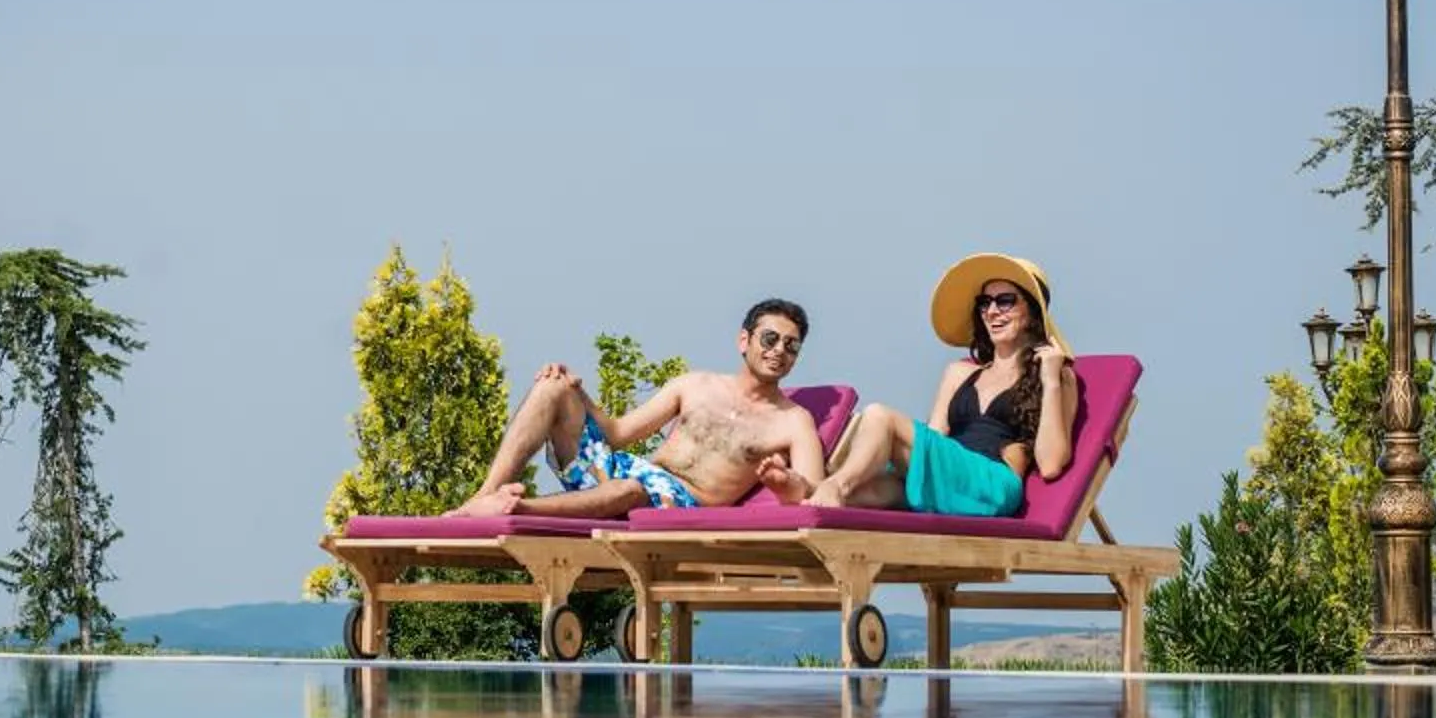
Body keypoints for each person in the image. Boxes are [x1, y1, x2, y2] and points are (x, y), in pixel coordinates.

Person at [450, 299, 829, 518]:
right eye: (770, 338)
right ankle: (484, 496)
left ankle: (517, 510)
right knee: (553, 386)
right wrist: (577, 392)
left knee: (631, 489)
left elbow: (811, 497)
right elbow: (617, 434)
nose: (779, 350)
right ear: (744, 340)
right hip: (622, 471)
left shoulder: (793, 422)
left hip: (676, 504)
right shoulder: (693, 385)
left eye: (791, 346)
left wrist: (785, 482)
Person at [774, 254, 1076, 516]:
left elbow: (1050, 465)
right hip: (947, 480)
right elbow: (935, 436)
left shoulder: (1055, 376)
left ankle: (833, 484)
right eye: (985, 303)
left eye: (1005, 300)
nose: (992, 311)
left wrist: (1050, 381)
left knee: (880, 416)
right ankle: (811, 491)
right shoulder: (960, 373)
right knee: (863, 493)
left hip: (993, 485)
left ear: (1032, 312)